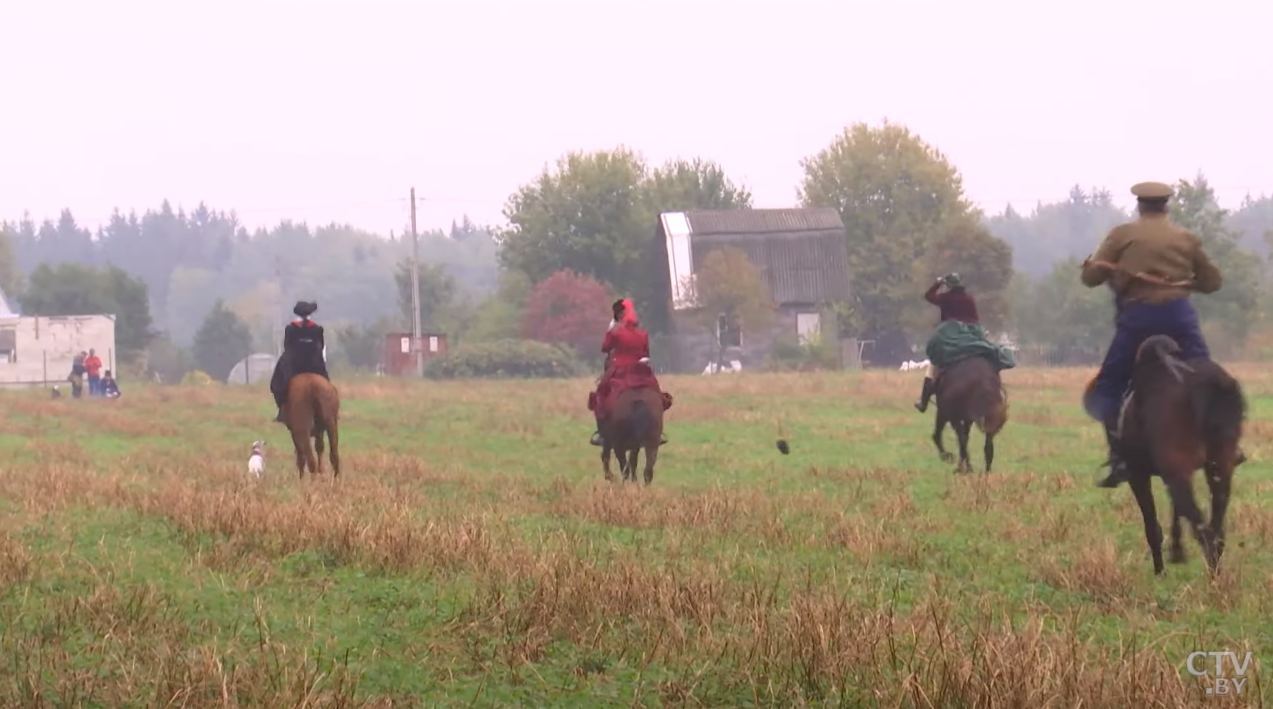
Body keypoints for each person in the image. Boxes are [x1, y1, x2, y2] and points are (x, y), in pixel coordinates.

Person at [1080, 180, 1243, 488]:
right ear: (1166, 205)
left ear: (1139, 205)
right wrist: (1184, 281)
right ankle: (1223, 448)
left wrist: (1095, 267)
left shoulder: (1122, 235)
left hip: (1138, 319)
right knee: (1207, 378)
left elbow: (1091, 278)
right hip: (1180, 318)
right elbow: (1212, 283)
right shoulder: (1186, 239)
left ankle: (1120, 456)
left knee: (1109, 384)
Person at [589, 298, 668, 447]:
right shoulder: (643, 334)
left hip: (619, 369)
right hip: (640, 370)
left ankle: (601, 433)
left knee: (601, 394)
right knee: (657, 393)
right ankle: (657, 432)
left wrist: (609, 331)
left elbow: (605, 348)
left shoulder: (616, 333)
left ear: (620, 317)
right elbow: (646, 354)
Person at [914, 272, 981, 413]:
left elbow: (928, 296)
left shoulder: (946, 298)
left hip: (949, 338)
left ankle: (923, 401)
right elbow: (975, 320)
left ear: (948, 286)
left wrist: (938, 283)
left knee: (933, 365)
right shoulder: (969, 299)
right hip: (969, 337)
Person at [270, 300, 329, 423]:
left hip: (294, 365)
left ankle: (281, 409)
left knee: (277, 383)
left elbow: (287, 346)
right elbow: (321, 346)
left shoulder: (290, 329)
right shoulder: (318, 329)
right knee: (327, 384)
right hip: (314, 364)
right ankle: (330, 409)